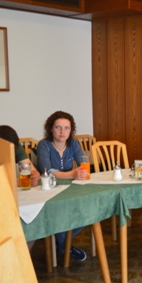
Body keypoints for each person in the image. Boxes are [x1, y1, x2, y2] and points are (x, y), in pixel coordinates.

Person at [0, 125, 50, 283]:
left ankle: (18, 278)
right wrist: (16, 181)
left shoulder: (14, 147)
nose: (12, 151)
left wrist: (34, 176)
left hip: (10, 199)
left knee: (30, 223)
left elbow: (31, 170)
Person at [37, 111, 88, 261]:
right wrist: (72, 174)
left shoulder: (73, 143)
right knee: (57, 212)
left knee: (88, 208)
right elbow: (46, 171)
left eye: (67, 128)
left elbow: (83, 163)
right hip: (48, 189)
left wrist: (80, 172)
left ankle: (61, 242)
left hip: (71, 187)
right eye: (58, 127)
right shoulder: (44, 145)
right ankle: (65, 245)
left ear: (71, 130)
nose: (62, 131)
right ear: (50, 129)